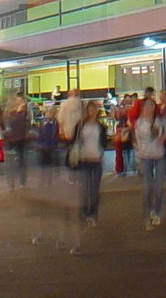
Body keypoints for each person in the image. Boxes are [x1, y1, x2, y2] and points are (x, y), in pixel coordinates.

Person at [133, 94, 166, 228]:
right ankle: (148, 213)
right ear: (143, 108)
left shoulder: (160, 121)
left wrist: (165, 137)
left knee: (159, 188)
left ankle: (157, 212)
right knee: (147, 187)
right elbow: (137, 142)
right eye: (147, 105)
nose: (150, 108)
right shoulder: (139, 123)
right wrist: (137, 159)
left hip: (159, 155)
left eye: (152, 105)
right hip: (145, 157)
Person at [69, 101, 105, 236]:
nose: (92, 112)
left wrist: (100, 154)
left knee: (94, 192)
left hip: (96, 161)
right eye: (90, 109)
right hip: (83, 161)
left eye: (95, 109)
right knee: (84, 190)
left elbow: (103, 143)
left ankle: (93, 214)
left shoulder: (100, 127)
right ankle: (83, 214)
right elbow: (73, 141)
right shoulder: (80, 126)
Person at [2, 92, 31, 189]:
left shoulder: (24, 113)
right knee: (15, 162)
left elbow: (27, 125)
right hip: (14, 140)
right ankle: (14, 183)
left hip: (19, 140)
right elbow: (10, 126)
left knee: (20, 162)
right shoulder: (12, 114)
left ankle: (19, 182)